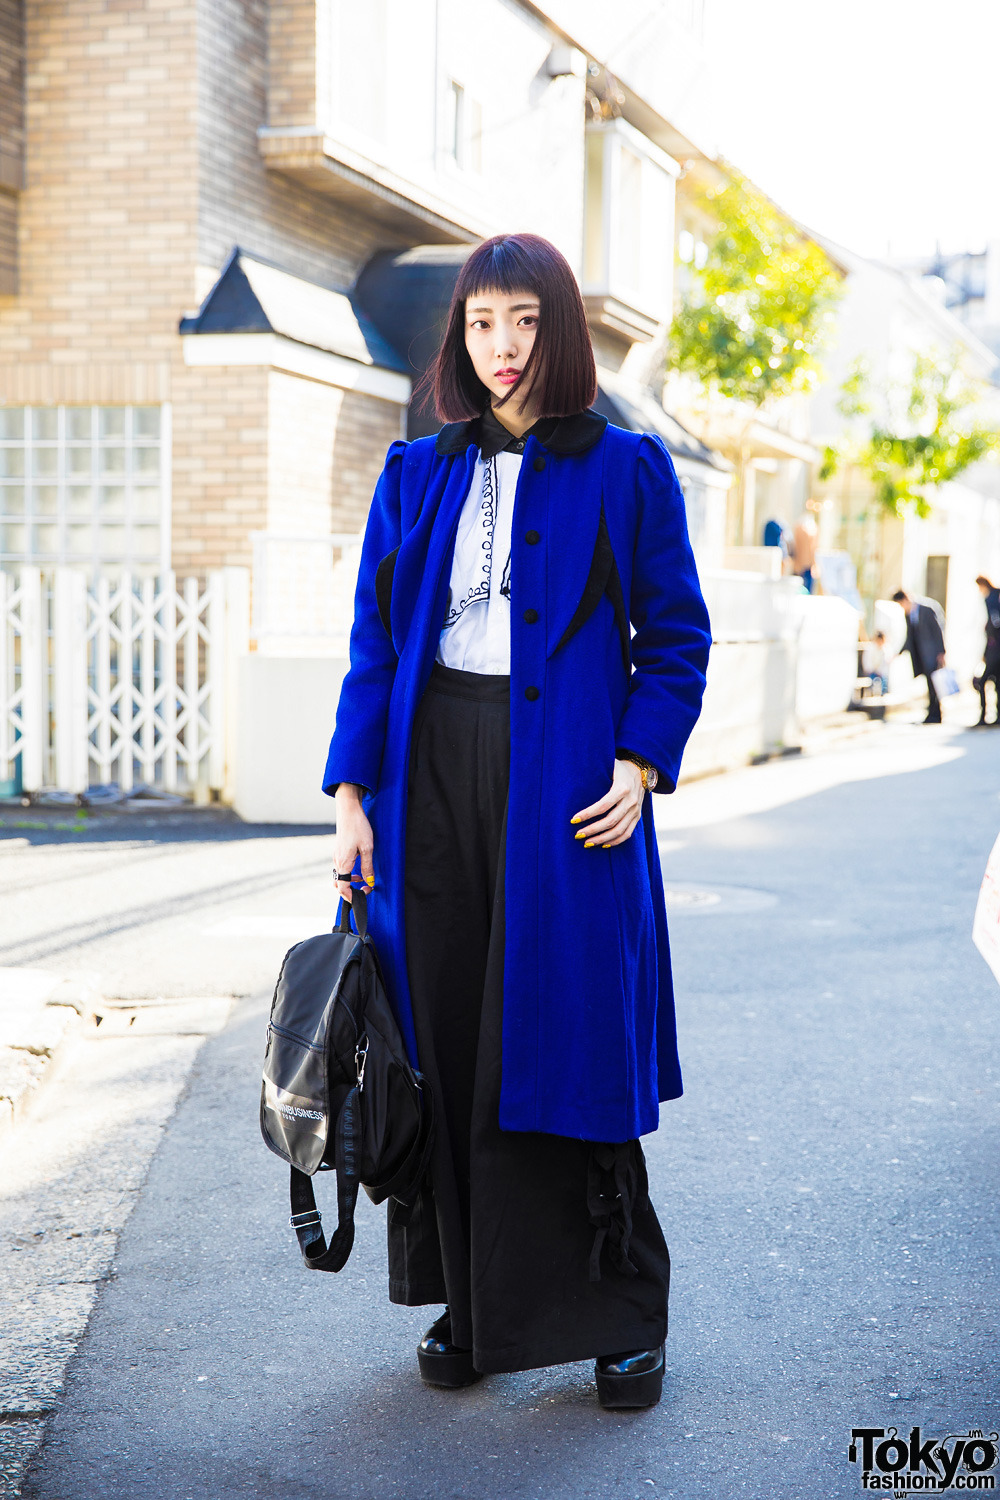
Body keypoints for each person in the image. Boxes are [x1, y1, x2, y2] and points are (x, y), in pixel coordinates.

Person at [323, 233, 711, 1410]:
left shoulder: (629, 470)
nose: (503, 346)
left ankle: (620, 1319)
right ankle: (471, 1304)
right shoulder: (416, 472)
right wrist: (352, 798)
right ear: (461, 334)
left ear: (561, 330)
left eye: (526, 321)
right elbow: (378, 644)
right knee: (440, 1040)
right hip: (425, 775)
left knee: (564, 1039)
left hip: (571, 792)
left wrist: (642, 764)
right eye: (483, 322)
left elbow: (675, 639)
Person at [892, 589, 947, 723]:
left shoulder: (927, 609)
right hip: (920, 655)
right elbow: (909, 636)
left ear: (905, 600)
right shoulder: (909, 615)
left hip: (932, 654)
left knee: (934, 685)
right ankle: (931, 712)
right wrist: (899, 652)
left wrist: (942, 652)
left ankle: (936, 713)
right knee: (929, 684)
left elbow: (938, 631)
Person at [974, 575, 1000, 726]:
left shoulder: (990, 598)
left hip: (995, 649)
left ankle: (983, 715)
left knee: (982, 681)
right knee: (997, 683)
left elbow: (995, 623)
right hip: (993, 648)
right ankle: (996, 715)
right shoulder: (996, 595)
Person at [791, 509, 819, 593]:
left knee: (807, 590)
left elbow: (814, 548)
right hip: (801, 565)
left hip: (808, 565)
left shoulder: (813, 528)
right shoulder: (801, 528)